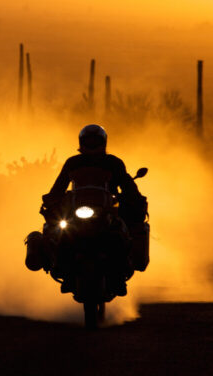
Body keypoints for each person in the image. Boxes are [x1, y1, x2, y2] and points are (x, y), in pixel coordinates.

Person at [44, 124, 145, 296]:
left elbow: (127, 183)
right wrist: (51, 198)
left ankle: (119, 276)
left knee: (119, 234)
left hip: (107, 209)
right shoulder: (73, 162)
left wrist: (133, 196)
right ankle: (66, 273)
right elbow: (59, 185)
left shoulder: (113, 162)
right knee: (62, 232)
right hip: (77, 209)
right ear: (81, 142)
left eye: (95, 141)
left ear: (103, 142)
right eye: (88, 141)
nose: (91, 144)